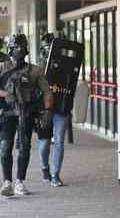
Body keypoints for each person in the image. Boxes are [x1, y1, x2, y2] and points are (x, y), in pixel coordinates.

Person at [0, 34, 53, 196]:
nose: (19, 51)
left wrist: (48, 111)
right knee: (5, 147)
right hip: (7, 114)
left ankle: (20, 182)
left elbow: (47, 92)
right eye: (16, 48)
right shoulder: (1, 67)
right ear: (10, 49)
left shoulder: (35, 70)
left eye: (22, 47)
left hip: (27, 113)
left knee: (24, 147)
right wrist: (4, 93)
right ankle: (7, 182)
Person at [37, 33, 70, 187]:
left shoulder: (65, 64)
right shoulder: (38, 68)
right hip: (45, 109)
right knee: (44, 143)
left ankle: (56, 174)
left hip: (61, 108)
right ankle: (45, 167)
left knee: (59, 142)